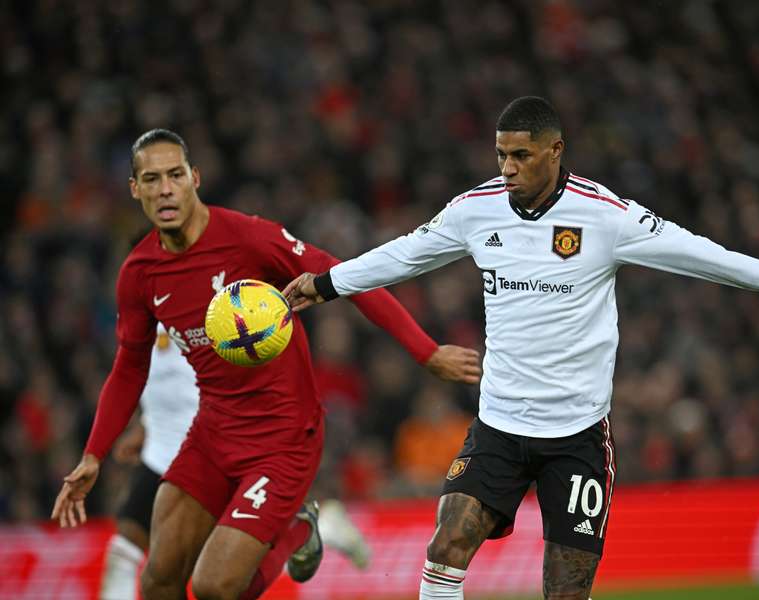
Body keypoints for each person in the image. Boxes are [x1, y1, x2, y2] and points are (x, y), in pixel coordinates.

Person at [282, 96, 759, 600]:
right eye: (501, 155)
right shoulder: (474, 211)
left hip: (576, 436)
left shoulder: (606, 217)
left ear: (555, 151)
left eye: (520, 155)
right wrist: (325, 284)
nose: (508, 168)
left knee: (565, 590)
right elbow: (403, 254)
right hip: (499, 425)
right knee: (446, 545)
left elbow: (708, 258)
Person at [51, 128, 482, 600]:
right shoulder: (138, 273)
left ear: (194, 178)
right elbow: (130, 365)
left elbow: (347, 277)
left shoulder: (247, 239)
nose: (165, 188)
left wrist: (427, 351)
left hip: (283, 440)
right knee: (158, 581)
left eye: (175, 175)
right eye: (151, 179)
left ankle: (299, 532)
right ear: (135, 189)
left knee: (213, 586)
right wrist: (94, 453)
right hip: (212, 434)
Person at [99, 324, 372, 600]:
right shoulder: (145, 294)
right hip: (166, 447)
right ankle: (317, 524)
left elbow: (214, 373)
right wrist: (147, 424)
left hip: (204, 445)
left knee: (208, 576)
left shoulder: (207, 299)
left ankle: (307, 528)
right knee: (147, 555)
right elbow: (149, 367)